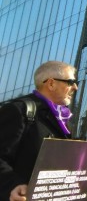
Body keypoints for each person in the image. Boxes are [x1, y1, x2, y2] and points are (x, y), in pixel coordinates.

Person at [0, 60, 78, 201]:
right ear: (51, 84)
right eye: (70, 82)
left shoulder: (61, 119)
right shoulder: (19, 110)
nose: (75, 87)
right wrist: (14, 186)